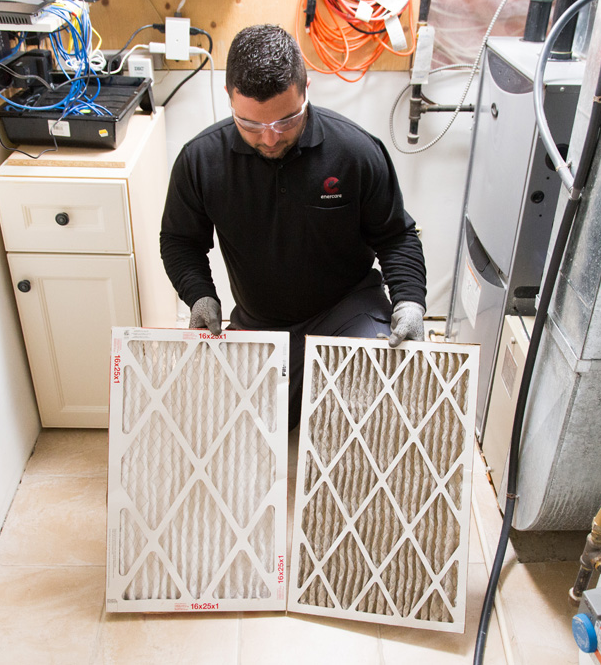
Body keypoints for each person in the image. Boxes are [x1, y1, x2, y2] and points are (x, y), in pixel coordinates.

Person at [160, 24, 427, 430]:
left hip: (346, 311)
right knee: (236, 430)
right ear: (229, 96)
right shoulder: (200, 161)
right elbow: (180, 241)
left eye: (286, 121)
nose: (269, 138)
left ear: (306, 89)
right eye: (250, 124)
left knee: (378, 408)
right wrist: (199, 295)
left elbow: (396, 236)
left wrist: (410, 300)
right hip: (261, 321)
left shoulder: (355, 151)